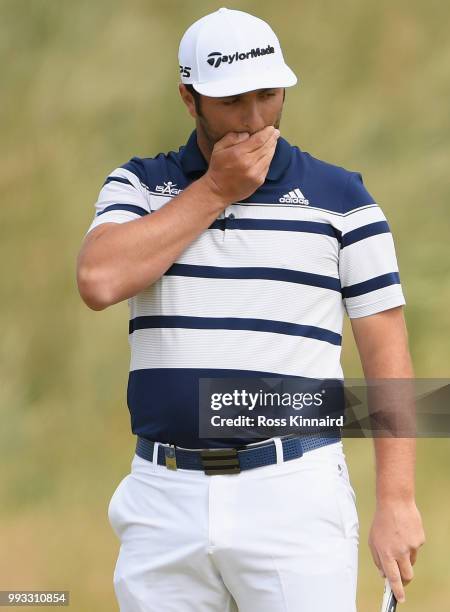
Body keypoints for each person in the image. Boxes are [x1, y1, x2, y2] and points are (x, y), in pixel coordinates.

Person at [76, 7, 425, 611]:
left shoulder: (343, 200)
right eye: (233, 101)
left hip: (293, 494)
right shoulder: (139, 186)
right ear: (190, 100)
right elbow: (99, 280)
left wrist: (396, 501)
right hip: (163, 497)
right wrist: (214, 191)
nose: (255, 118)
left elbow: (387, 353)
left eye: (268, 95)